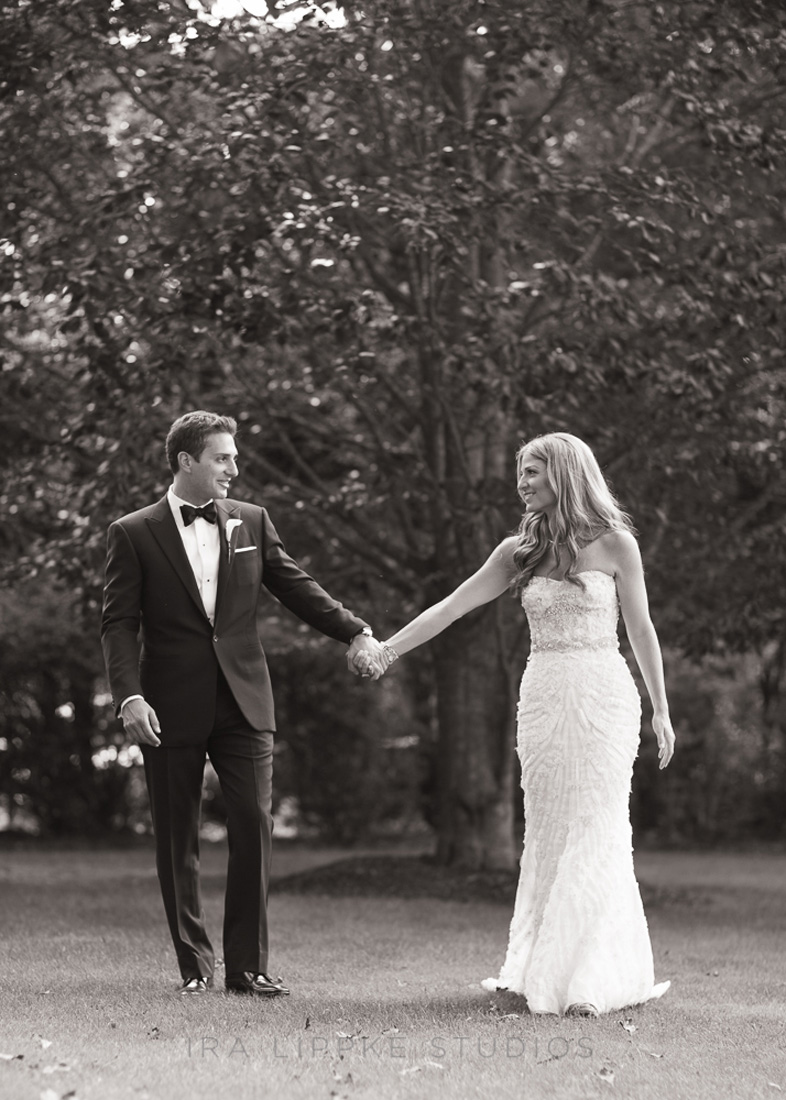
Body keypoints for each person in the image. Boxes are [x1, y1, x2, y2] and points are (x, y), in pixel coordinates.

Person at [359, 432, 675, 1017]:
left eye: (532, 471)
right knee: (551, 828)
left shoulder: (615, 545)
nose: (522, 482)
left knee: (597, 825)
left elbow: (642, 630)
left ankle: (590, 981)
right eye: (520, 472)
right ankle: (540, 967)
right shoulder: (517, 552)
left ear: (565, 475)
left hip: (604, 696)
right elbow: (451, 607)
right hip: (544, 700)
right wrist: (387, 651)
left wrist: (660, 707)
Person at [101, 411, 384, 997]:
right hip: (167, 705)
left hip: (245, 699)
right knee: (176, 837)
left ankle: (247, 968)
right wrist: (129, 695)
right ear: (187, 461)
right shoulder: (131, 532)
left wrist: (355, 630)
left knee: (253, 823)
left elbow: (295, 584)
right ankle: (194, 969)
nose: (234, 467)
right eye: (222, 458)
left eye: (233, 457)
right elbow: (118, 624)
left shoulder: (251, 520)